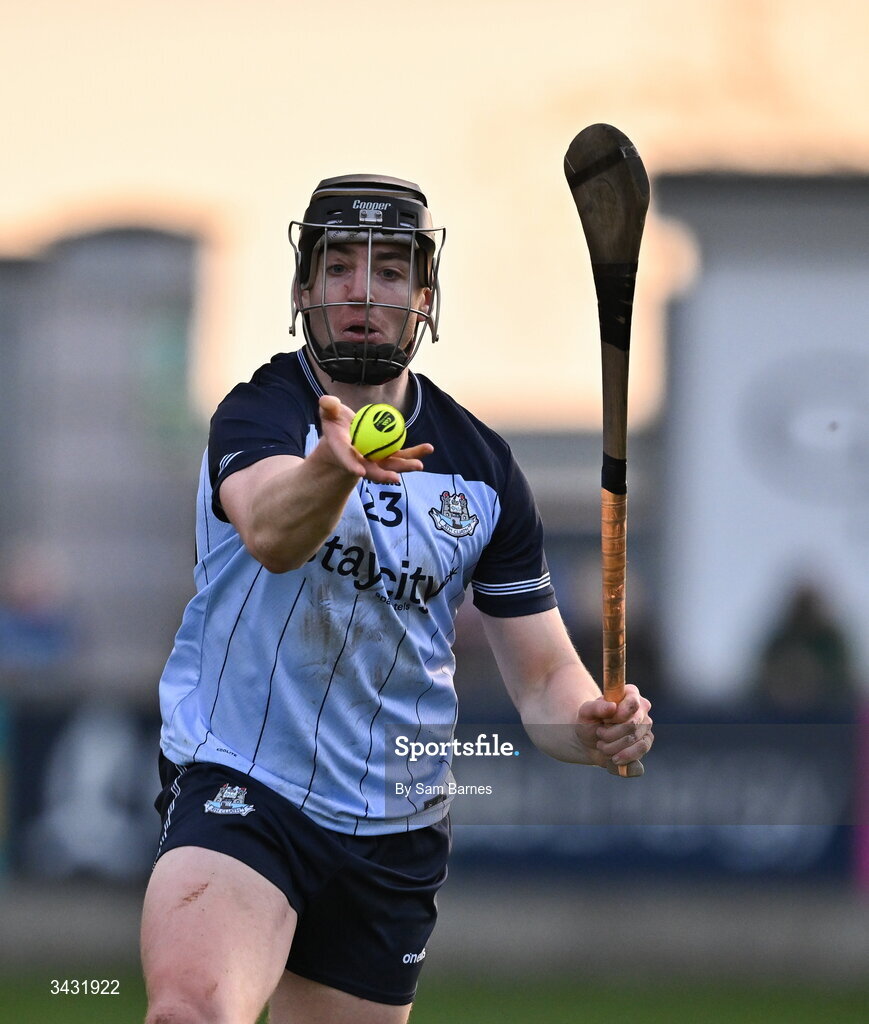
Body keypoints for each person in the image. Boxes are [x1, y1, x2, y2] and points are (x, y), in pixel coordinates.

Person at [141, 174, 654, 1024]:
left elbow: (541, 683)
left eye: (387, 272)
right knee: (191, 1012)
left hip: (394, 825)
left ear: (422, 295)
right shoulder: (259, 415)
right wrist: (328, 473)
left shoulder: (482, 467)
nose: (360, 292)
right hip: (244, 783)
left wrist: (596, 726)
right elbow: (271, 533)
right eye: (338, 267)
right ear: (304, 289)